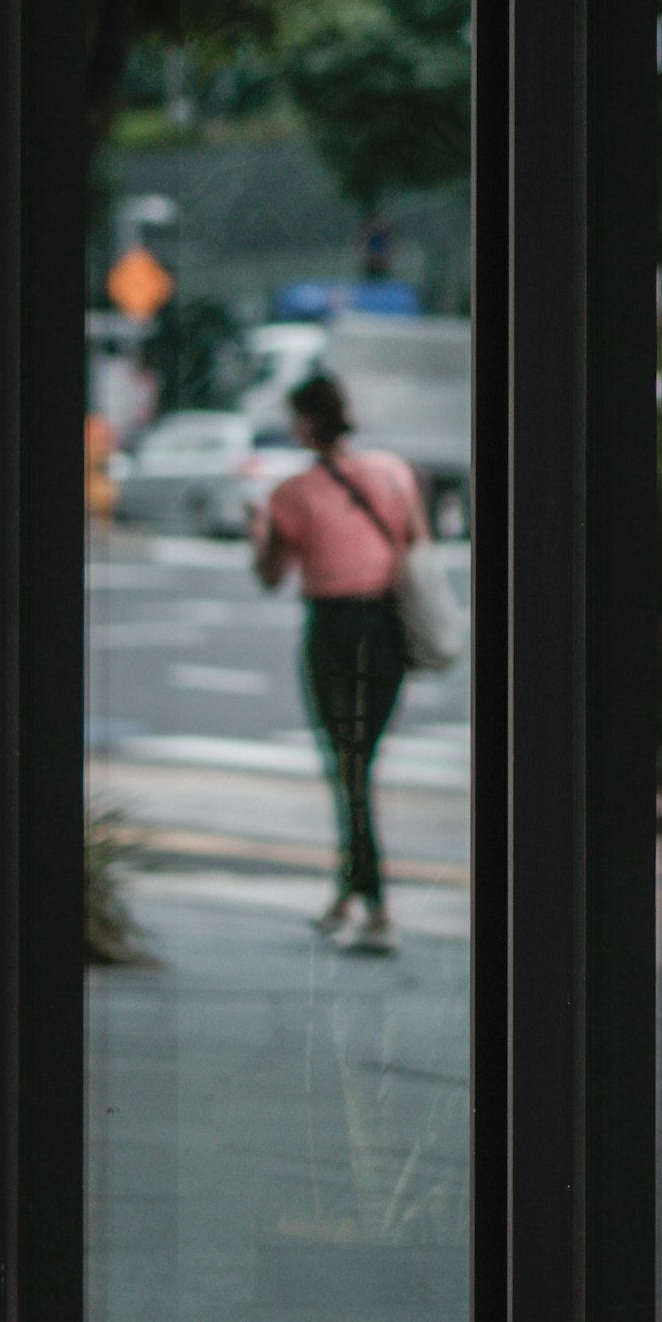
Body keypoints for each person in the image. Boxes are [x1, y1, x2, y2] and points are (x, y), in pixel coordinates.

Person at [252, 373, 427, 952]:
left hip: (332, 629)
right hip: (385, 627)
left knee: (348, 766)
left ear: (306, 422)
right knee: (361, 761)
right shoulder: (393, 474)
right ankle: (348, 894)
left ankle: (375, 907)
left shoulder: (290, 496)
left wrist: (262, 531)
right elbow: (414, 543)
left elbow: (271, 575)